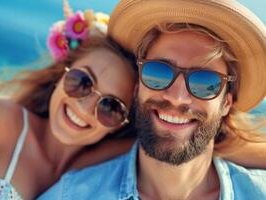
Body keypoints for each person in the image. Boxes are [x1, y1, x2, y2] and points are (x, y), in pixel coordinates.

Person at [38, 0, 266, 199]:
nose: (177, 98)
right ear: (138, 87)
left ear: (226, 102)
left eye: (204, 82)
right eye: (158, 72)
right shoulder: (71, 195)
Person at [0, 5, 137, 200]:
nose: (84, 107)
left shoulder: (100, 167)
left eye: (111, 107)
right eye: (82, 81)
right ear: (61, 74)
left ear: (120, 125)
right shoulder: (0, 121)